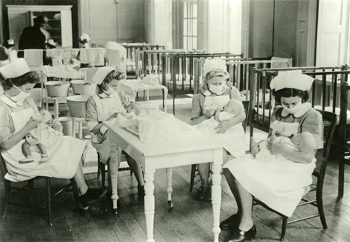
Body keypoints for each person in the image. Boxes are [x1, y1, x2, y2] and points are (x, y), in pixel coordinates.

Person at [220, 70, 323, 242]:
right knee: (230, 167)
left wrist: (280, 150)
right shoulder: (277, 111)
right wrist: (260, 148)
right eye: (285, 103)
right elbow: (272, 139)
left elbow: (306, 157)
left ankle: (247, 224)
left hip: (295, 166)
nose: (289, 107)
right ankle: (242, 213)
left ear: (304, 98)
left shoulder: (311, 115)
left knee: (243, 173)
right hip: (274, 158)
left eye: (294, 103)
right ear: (278, 100)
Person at [0, 59, 107, 215]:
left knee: (71, 143)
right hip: (21, 155)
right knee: (69, 146)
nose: (29, 93)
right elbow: (5, 144)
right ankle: (84, 194)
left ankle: (84, 193)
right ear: (12, 85)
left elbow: (36, 119)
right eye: (26, 89)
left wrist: (48, 121)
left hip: (36, 143)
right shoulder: (2, 108)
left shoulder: (24, 99)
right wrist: (29, 127)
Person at [85, 67, 145, 202]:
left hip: (121, 130)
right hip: (102, 136)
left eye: (117, 85)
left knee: (131, 145)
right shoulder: (93, 101)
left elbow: (131, 107)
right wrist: (112, 119)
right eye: (113, 85)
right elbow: (92, 128)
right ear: (104, 83)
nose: (116, 88)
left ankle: (142, 185)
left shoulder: (119, 94)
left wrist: (133, 109)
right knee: (116, 145)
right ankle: (113, 189)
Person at [191, 59, 246, 202]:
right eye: (214, 84)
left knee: (221, 150)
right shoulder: (198, 97)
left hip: (230, 129)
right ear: (206, 82)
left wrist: (228, 123)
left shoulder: (232, 91)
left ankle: (224, 182)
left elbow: (242, 114)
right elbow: (194, 122)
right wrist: (205, 116)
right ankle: (205, 185)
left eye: (220, 83)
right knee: (201, 148)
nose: (218, 86)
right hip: (208, 129)